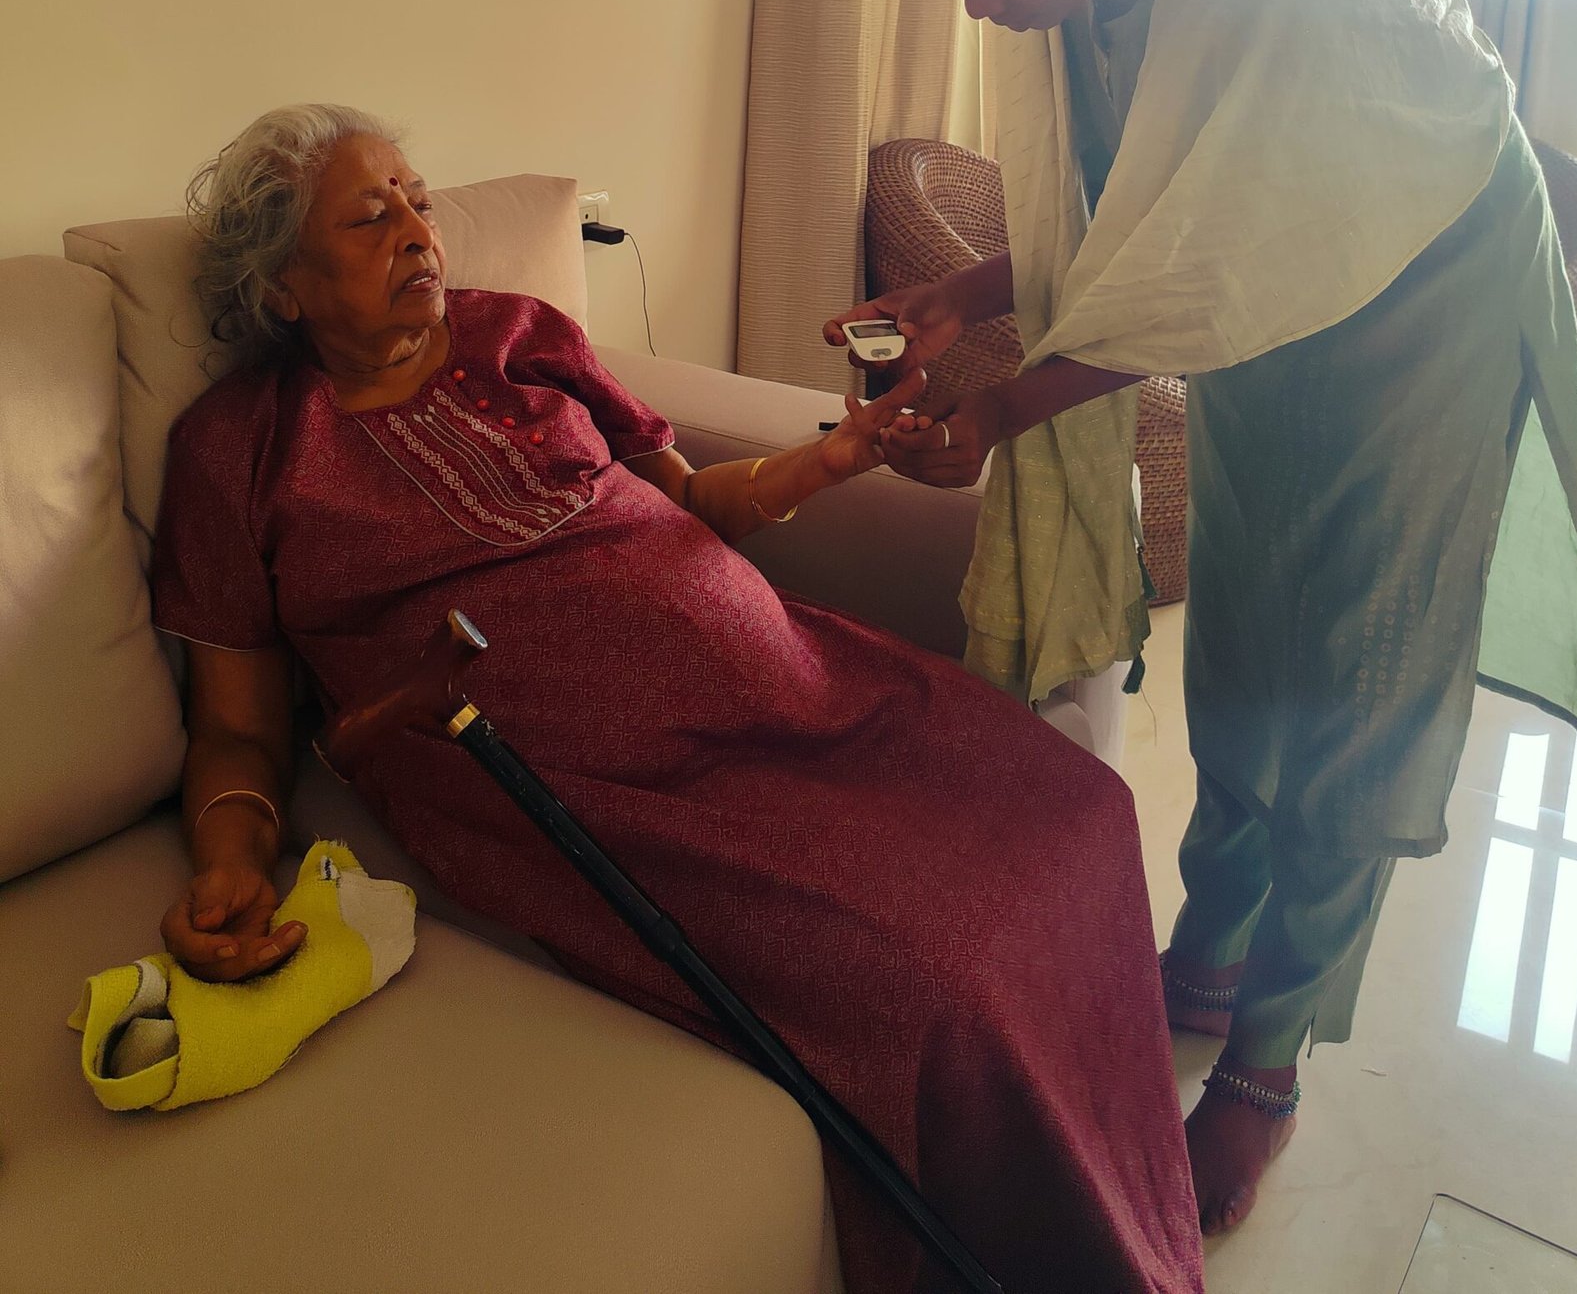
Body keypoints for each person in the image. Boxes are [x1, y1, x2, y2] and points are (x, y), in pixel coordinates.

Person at [151, 103, 1204, 1294]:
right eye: (367, 217)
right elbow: (234, 726)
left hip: (793, 692)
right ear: (283, 288)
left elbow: (688, 502)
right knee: (931, 982)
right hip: (593, 789)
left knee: (1073, 814)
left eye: (418, 202)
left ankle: (1134, 1219)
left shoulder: (519, 333)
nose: (416, 231)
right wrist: (227, 858)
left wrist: (832, 457)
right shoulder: (237, 451)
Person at [827, 0, 1577, 1238]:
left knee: (1357, 688)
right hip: (1272, 306)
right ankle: (1222, 937)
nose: (977, 5)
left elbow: (1215, 267)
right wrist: (967, 291)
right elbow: (1146, 218)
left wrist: (996, 412)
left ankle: (1265, 1067)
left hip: (1423, 308)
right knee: (1247, 633)